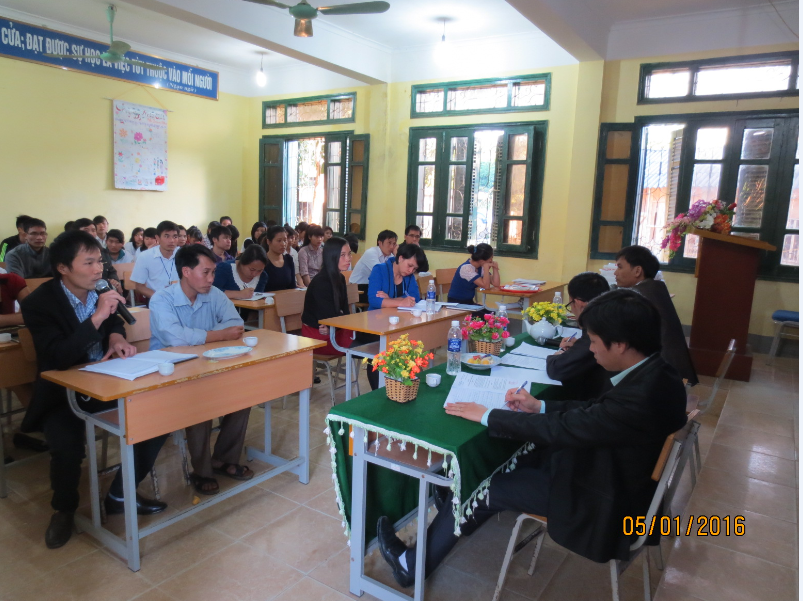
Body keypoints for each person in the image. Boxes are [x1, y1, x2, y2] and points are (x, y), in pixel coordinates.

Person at [376, 289, 688, 587]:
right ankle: (455, 514)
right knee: (515, 454)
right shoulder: (658, 372)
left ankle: (410, 565)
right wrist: (540, 406)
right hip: (613, 474)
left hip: (599, 498)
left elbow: (569, 427)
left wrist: (487, 415)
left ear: (620, 344)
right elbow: (595, 412)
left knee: (483, 487)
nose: (591, 349)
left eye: (594, 341)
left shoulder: (640, 397)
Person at [21, 231, 168, 549]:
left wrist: (116, 336)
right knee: (66, 447)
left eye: (99, 261)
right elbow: (58, 357)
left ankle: (119, 495)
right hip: (62, 392)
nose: (98, 269)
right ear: (63, 268)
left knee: (157, 418)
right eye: (88, 263)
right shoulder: (38, 303)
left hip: (106, 381)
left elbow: (115, 323)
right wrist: (99, 316)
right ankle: (64, 509)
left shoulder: (101, 290)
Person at [149, 244, 250, 495]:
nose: (211, 279)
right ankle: (202, 471)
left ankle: (223, 459)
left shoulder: (214, 294)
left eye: (213, 272)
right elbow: (174, 338)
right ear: (186, 271)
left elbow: (236, 325)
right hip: (170, 374)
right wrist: (218, 335)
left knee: (244, 396)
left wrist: (202, 336)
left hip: (208, 366)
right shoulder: (162, 299)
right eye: (205, 272)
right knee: (200, 402)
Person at [614, 245, 699, 386]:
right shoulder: (655, 288)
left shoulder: (638, 296)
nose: (615, 273)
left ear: (637, 271)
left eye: (620, 267)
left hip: (663, 377)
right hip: (675, 371)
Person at [545, 272, 613, 400]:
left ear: (579, 303)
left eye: (570, 305)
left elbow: (557, 369)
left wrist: (557, 355)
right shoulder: (610, 318)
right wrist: (578, 345)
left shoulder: (597, 329)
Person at [301, 237, 354, 355]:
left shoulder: (340, 278)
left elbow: (345, 312)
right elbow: (328, 318)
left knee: (371, 340)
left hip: (334, 330)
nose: (348, 259)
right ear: (331, 256)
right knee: (364, 343)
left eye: (349, 254)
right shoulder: (321, 282)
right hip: (317, 336)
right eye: (342, 255)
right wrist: (336, 323)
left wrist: (336, 323)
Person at [367, 243, 427, 310]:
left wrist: (389, 300)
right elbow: (374, 300)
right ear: (400, 258)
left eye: (414, 269)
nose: (411, 270)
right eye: (410, 265)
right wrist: (401, 302)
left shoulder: (409, 276)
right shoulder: (379, 270)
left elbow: (415, 297)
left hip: (400, 315)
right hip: (378, 314)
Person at [130, 221, 179, 299]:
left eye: (175, 237)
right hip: (156, 299)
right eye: (166, 236)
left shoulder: (184, 255)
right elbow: (139, 286)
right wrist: (159, 298)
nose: (172, 240)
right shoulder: (145, 256)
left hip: (181, 299)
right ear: (157, 238)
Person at [73, 219, 122, 295]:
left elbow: (111, 270)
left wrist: (114, 279)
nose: (91, 233)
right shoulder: (72, 253)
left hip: (102, 288)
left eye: (93, 230)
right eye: (86, 230)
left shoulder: (102, 251)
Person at [260, 225, 297, 291]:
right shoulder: (262, 261)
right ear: (268, 242)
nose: (283, 244)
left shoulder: (289, 259)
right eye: (279, 241)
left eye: (285, 240)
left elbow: (292, 286)